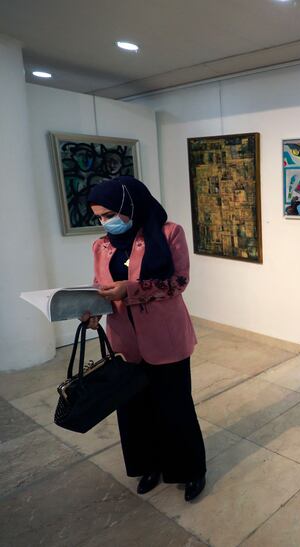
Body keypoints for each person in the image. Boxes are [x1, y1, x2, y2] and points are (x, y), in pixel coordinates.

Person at [81, 176, 206, 502]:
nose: (105, 222)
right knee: (134, 409)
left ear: (129, 205)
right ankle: (148, 465)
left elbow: (178, 281)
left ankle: (190, 470)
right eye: (99, 217)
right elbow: (100, 286)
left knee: (174, 406)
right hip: (125, 341)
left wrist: (131, 290)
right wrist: (91, 310)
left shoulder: (168, 234)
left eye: (109, 214)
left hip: (165, 338)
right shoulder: (101, 246)